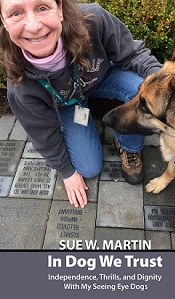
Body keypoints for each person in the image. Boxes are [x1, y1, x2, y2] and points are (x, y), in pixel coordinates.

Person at [0, 0, 162, 208]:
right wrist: (66, 171)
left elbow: (132, 53)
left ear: (59, 8)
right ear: (3, 21)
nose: (34, 26)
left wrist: (164, 81)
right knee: (89, 168)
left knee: (142, 90)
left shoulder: (93, 19)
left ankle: (128, 146)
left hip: (100, 77)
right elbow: (42, 133)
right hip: (66, 104)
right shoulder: (20, 84)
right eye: (16, 13)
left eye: (42, 8)